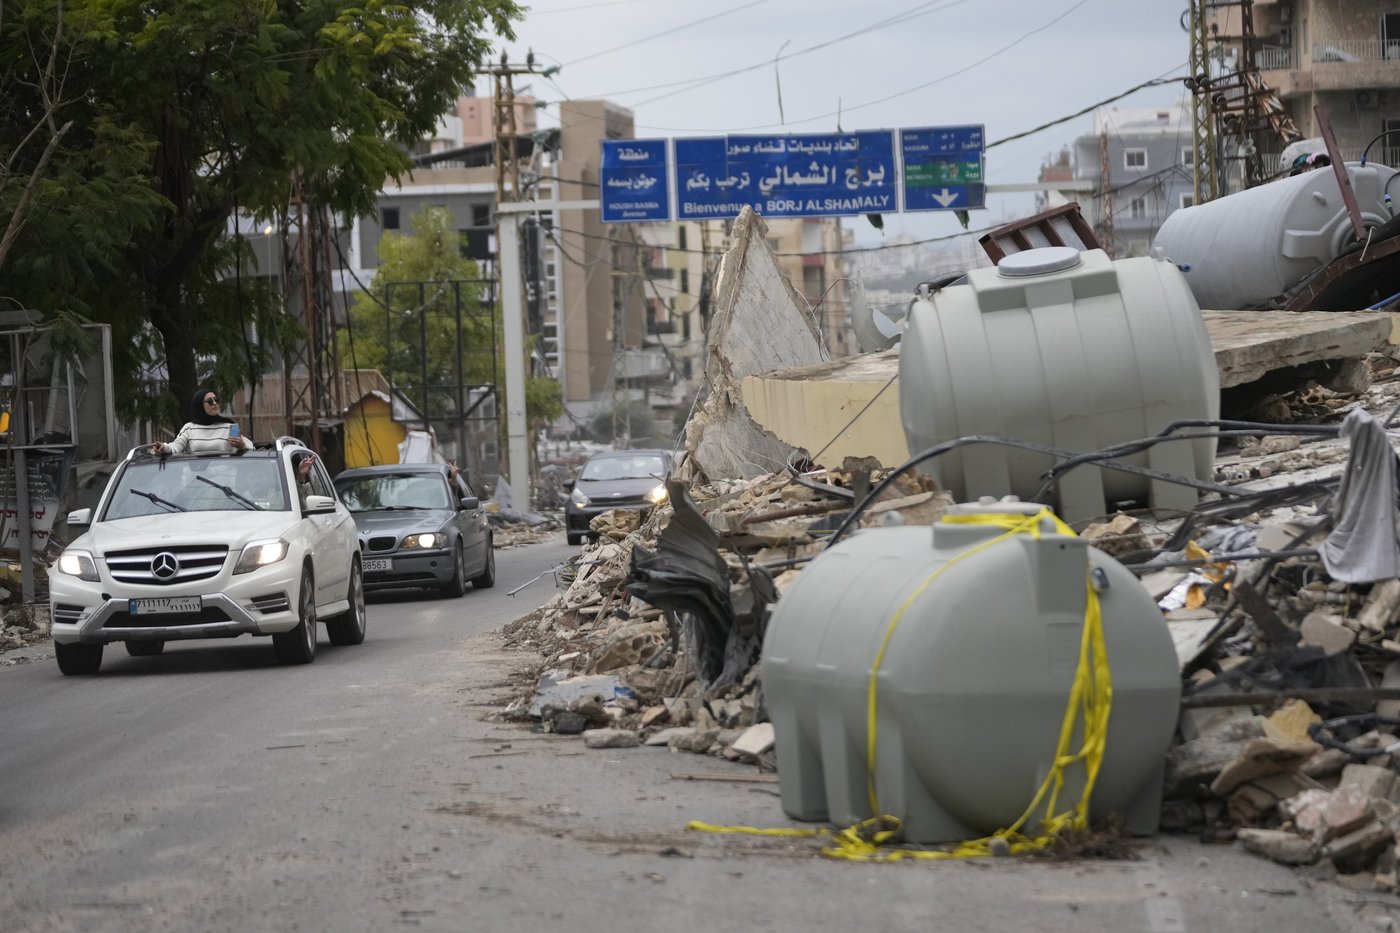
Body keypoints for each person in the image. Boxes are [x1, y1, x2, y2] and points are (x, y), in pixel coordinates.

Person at [152, 389, 254, 455]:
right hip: (195, 481)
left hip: (225, 482)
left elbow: (252, 450)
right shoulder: (189, 428)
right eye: (210, 401)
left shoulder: (229, 426)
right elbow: (176, 447)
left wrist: (242, 446)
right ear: (199, 405)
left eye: (216, 400)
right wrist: (163, 447)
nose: (214, 403)